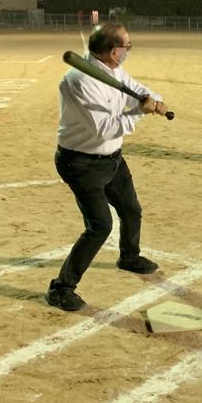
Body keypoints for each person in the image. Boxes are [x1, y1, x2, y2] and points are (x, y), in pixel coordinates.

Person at [48, 22, 168, 312]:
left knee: (131, 210)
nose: (128, 49)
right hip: (81, 163)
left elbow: (133, 88)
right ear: (114, 51)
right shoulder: (80, 81)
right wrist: (140, 112)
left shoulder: (112, 70)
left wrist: (152, 99)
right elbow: (106, 129)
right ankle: (61, 288)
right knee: (100, 226)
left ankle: (129, 256)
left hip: (112, 159)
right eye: (126, 45)